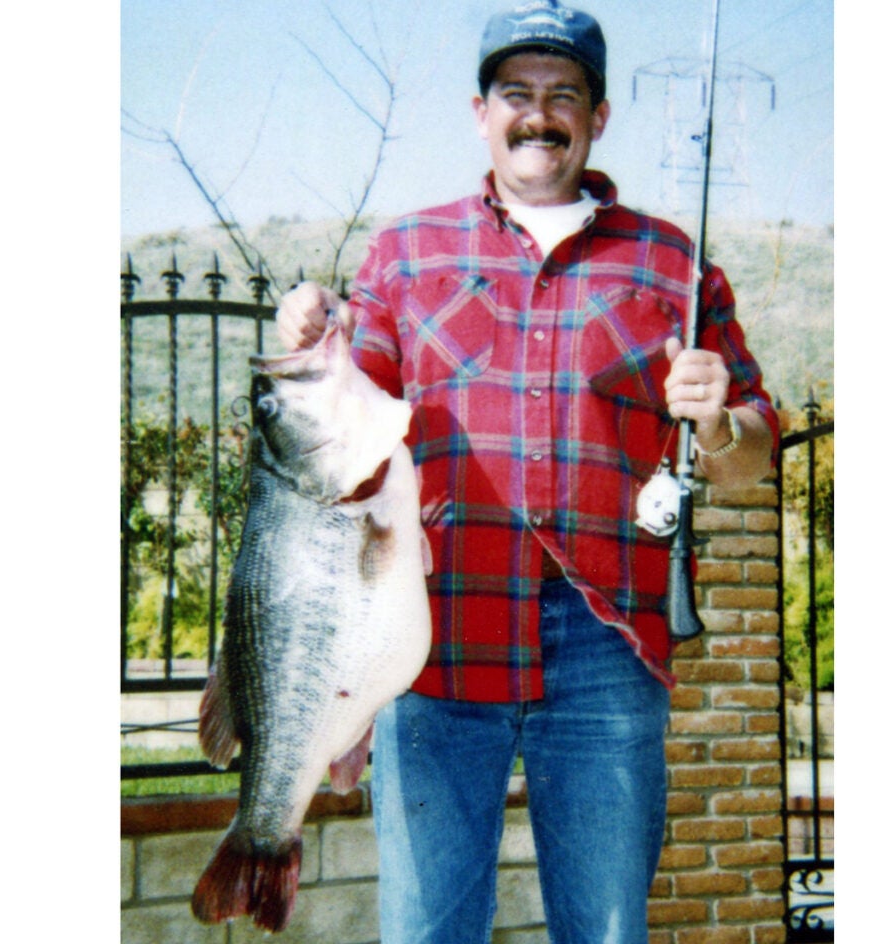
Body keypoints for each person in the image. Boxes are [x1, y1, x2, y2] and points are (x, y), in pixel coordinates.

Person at [276, 2, 778, 941]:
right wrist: (311, 334)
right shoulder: (406, 252)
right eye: (516, 93)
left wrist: (718, 423)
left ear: (598, 115)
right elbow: (341, 427)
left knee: (607, 930)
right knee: (427, 931)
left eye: (563, 95)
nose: (538, 115)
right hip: (434, 636)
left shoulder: (673, 262)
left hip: (607, 643)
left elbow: (754, 452)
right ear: (481, 114)